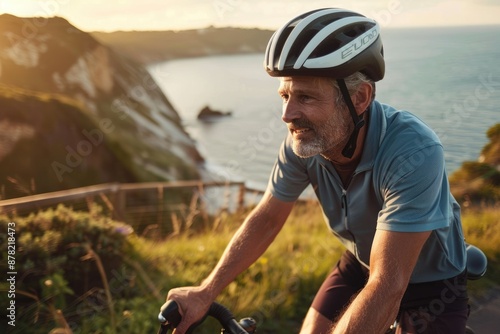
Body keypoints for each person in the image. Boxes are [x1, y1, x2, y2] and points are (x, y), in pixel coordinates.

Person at [166, 8, 469, 334]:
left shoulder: (414, 152)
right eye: (285, 95)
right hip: (360, 261)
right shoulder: (305, 140)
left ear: (360, 97)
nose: (287, 114)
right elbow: (267, 218)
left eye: (305, 97)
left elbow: (388, 284)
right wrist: (206, 291)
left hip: (432, 282)